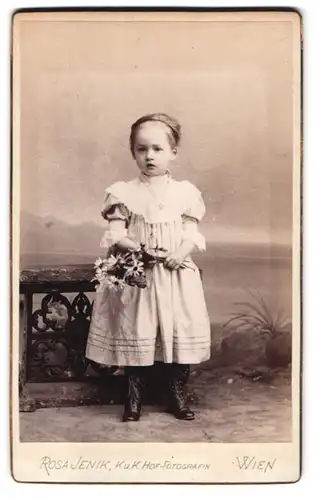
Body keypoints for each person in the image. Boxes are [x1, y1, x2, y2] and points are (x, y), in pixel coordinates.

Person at [86, 113, 211, 422]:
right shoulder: (124, 193)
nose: (149, 156)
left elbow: (191, 233)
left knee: (178, 329)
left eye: (157, 149)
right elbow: (116, 235)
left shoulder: (185, 193)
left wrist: (179, 253)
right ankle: (133, 400)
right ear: (133, 152)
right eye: (141, 149)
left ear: (173, 152)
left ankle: (177, 397)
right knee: (136, 329)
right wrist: (140, 251)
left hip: (175, 273)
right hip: (138, 274)